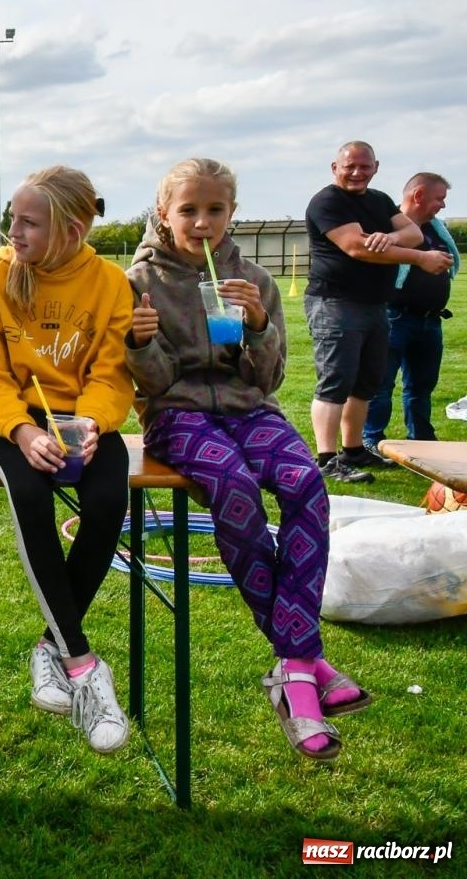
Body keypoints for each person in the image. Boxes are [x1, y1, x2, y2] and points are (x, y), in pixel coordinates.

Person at [128, 158, 370, 760]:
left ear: (231, 213)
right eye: (188, 210)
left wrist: (258, 325)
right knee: (233, 487)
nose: (202, 222)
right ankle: (304, 662)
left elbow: (268, 378)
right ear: (165, 213)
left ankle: (292, 662)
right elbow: (151, 386)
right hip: (177, 416)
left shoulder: (254, 279)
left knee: (305, 483)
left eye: (215, 210)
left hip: (247, 410)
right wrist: (138, 340)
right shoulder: (139, 282)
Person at [0, 165, 133, 755]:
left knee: (111, 500)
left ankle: (48, 647)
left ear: (73, 228)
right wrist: (19, 429)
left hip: (84, 420)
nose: (14, 230)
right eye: (13, 217)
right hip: (17, 424)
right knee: (32, 501)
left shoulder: (111, 282)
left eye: (28, 222)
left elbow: (112, 373)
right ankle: (85, 667)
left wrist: (91, 422)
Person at [302, 141, 450, 483]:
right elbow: (357, 248)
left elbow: (413, 232)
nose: (357, 173)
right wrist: (420, 258)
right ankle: (326, 458)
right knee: (336, 379)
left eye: (364, 166)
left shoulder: (379, 200)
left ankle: (353, 449)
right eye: (349, 166)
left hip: (373, 305)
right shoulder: (328, 202)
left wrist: (387, 236)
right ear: (334, 167)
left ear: (376, 167)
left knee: (366, 381)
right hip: (334, 303)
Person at [362, 172, 457, 450]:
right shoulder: (388, 230)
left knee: (421, 387)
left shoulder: (437, 230)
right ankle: (372, 440)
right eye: (439, 198)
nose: (442, 205)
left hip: (431, 321)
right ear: (418, 196)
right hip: (396, 317)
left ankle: (422, 439)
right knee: (382, 383)